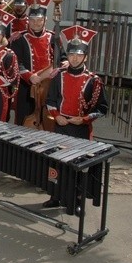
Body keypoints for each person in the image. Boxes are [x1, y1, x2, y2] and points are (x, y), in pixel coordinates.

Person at [43, 25, 108, 208]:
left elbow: (102, 108)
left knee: (79, 164)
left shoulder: (94, 80)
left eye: (79, 55)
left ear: (85, 57)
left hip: (81, 128)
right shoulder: (58, 76)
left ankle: (77, 199)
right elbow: (50, 101)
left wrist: (85, 119)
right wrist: (56, 116)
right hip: (61, 124)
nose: (74, 58)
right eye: (71, 54)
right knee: (56, 162)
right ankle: (55, 196)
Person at [9, 0, 65, 125]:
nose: (36, 23)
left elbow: (62, 57)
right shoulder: (20, 38)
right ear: (28, 20)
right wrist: (29, 76)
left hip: (48, 86)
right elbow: (16, 62)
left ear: (45, 20)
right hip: (26, 85)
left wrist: (65, 62)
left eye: (39, 20)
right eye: (32, 20)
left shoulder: (53, 37)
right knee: (23, 118)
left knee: (48, 119)